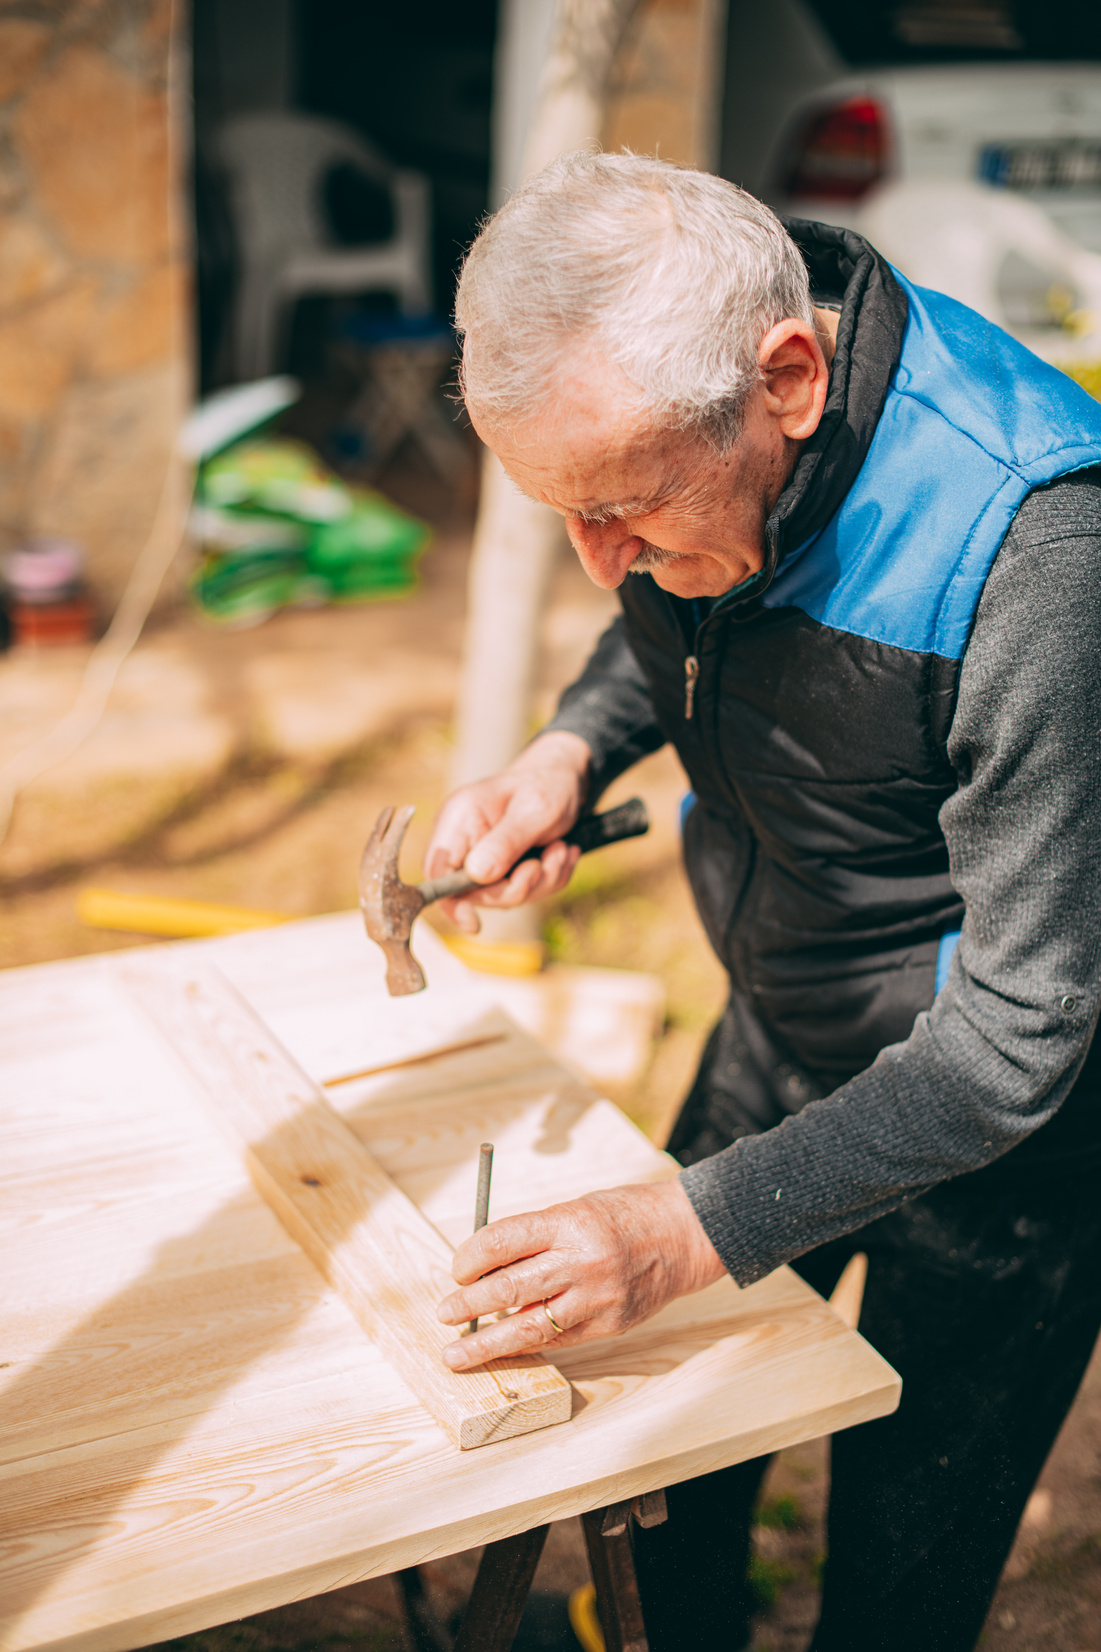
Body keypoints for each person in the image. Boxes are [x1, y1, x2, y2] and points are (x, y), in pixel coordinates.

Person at [426, 151, 1101, 1651]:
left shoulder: (1043, 555)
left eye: (622, 508)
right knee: (664, 1476)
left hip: (1004, 1133)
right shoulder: (692, 424)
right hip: (779, 1011)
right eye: (563, 514)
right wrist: (566, 753)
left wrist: (682, 1231)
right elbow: (680, 612)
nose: (601, 563)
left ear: (788, 379)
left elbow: (1017, 1041)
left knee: (899, 1573)